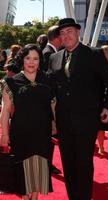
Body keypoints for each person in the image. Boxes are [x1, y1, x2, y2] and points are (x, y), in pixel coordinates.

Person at [48, 18, 108, 200]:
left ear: (78, 32)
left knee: (84, 163)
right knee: (68, 164)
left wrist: (107, 106)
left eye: (69, 31)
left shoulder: (94, 54)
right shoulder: (54, 58)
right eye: (62, 33)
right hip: (63, 121)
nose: (66, 35)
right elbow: (49, 87)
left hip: (87, 121)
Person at [0, 44, 53, 200]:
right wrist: (4, 135)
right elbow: (5, 111)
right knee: (24, 176)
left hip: (42, 134)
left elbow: (53, 105)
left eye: (35, 58)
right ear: (21, 60)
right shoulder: (11, 82)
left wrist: (58, 127)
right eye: (28, 58)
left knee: (37, 173)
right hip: (21, 134)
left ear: (40, 61)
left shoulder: (47, 80)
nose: (31, 62)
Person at [43, 25, 62, 175]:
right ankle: (46, 165)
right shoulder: (48, 54)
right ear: (57, 38)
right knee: (49, 135)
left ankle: (47, 164)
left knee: (50, 135)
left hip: (50, 101)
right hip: (49, 102)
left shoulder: (49, 52)